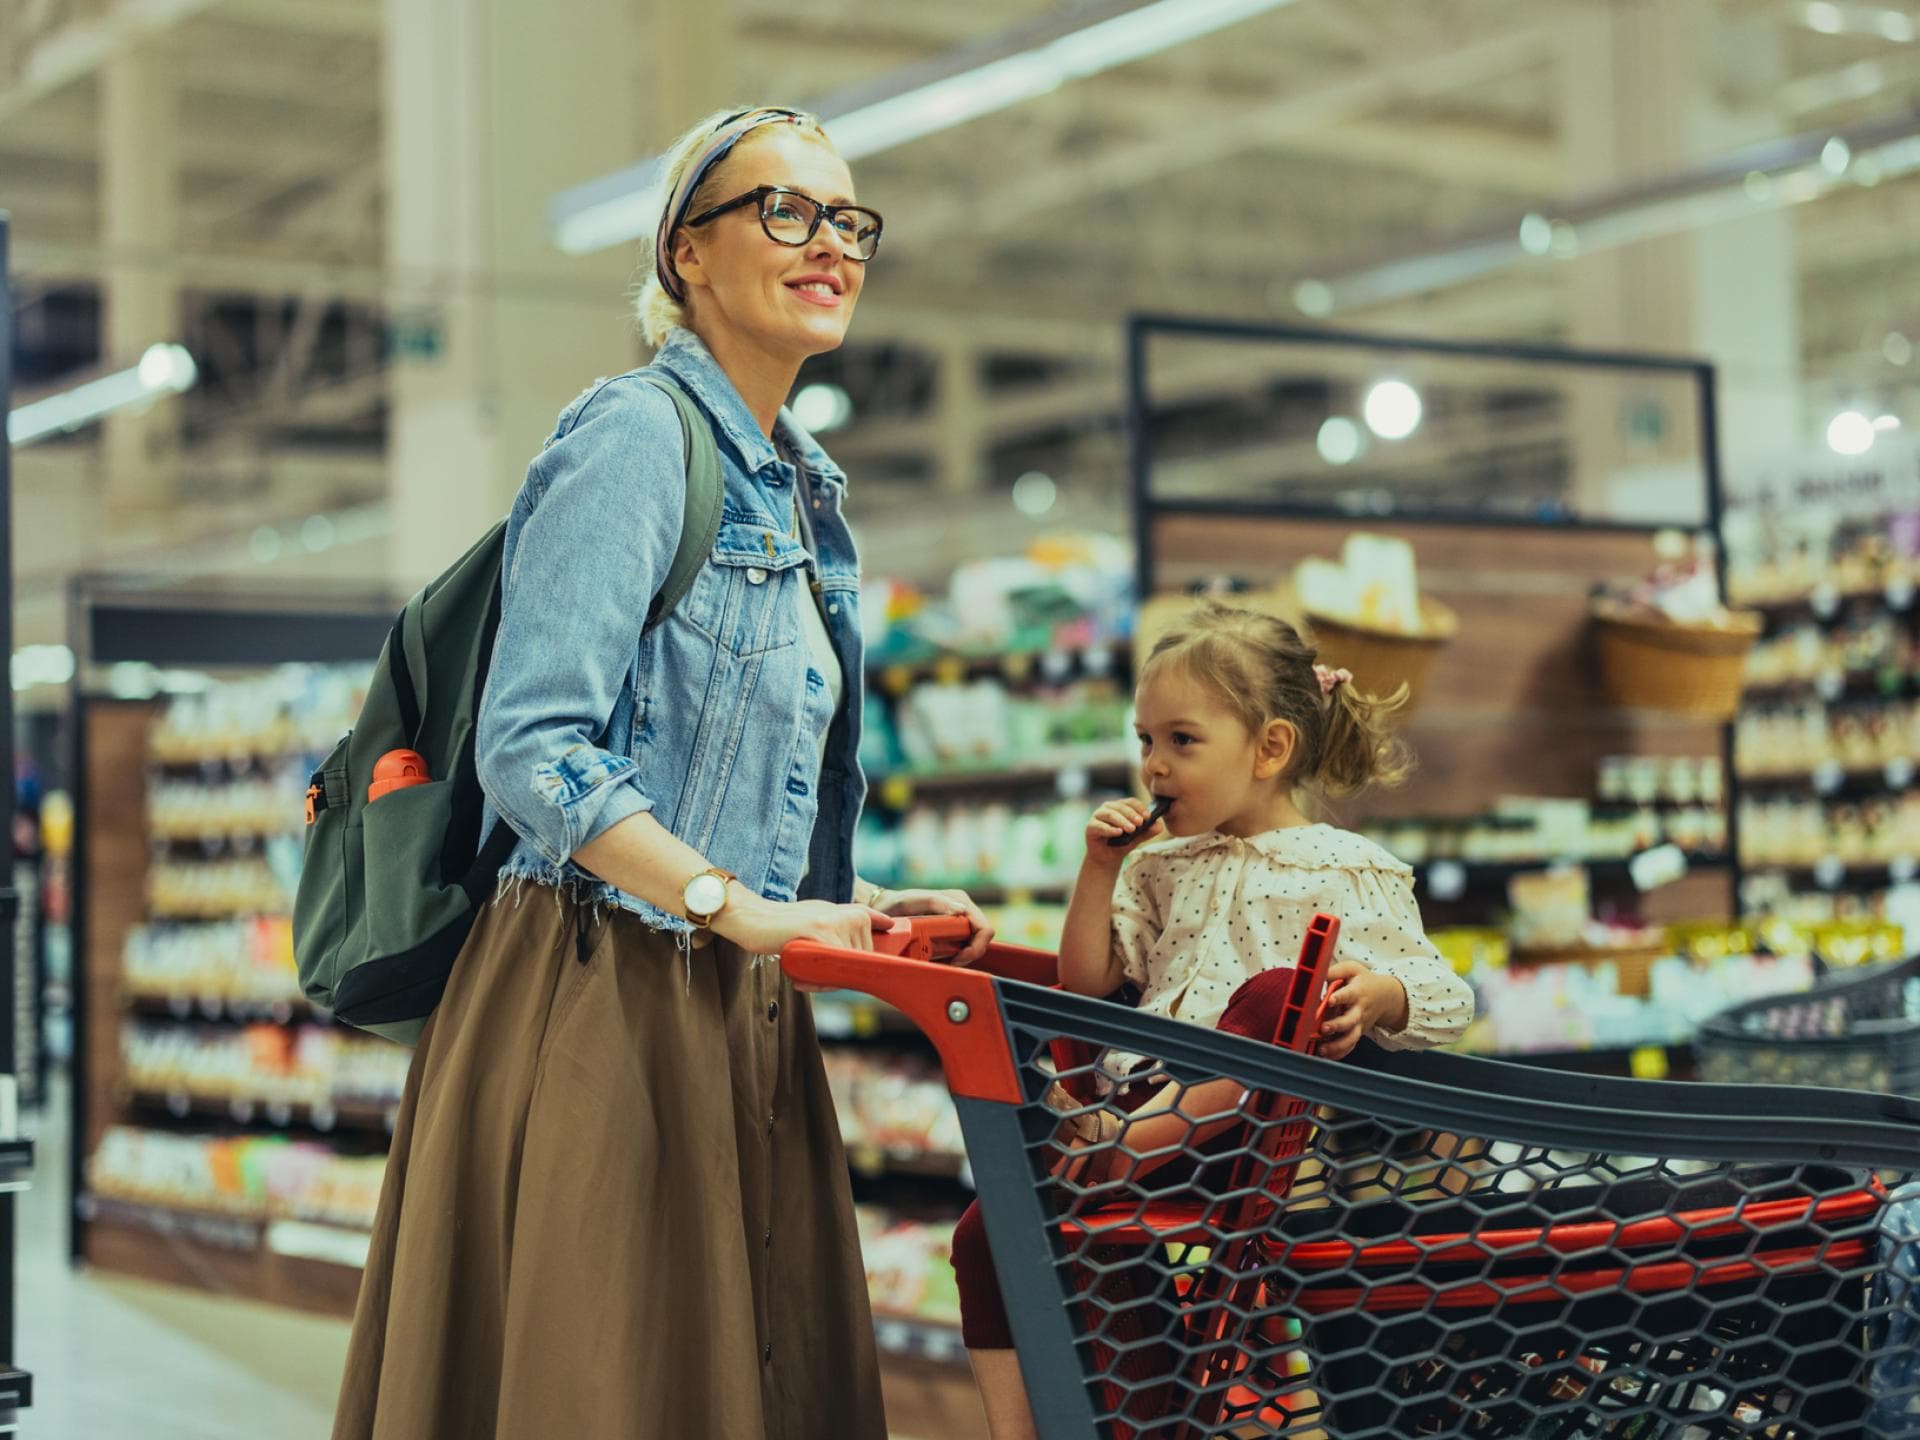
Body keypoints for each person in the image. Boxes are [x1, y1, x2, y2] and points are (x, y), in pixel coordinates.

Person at [331, 104, 992, 1440]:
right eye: (786, 211)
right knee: (607, 1377)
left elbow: (733, 787)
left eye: (850, 220)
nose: (832, 247)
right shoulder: (635, 437)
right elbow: (533, 746)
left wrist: (859, 905)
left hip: (731, 996)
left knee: (740, 1375)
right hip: (594, 989)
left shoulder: (807, 493)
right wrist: (726, 905)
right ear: (686, 253)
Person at [952, 599, 1474, 1439]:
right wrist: (1098, 873)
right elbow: (1086, 986)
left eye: (1181, 741)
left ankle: (1122, 1151)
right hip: (1145, 1111)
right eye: (1144, 741)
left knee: (1282, 994)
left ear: (1269, 748)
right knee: (991, 1228)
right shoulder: (1159, 867)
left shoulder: (1347, 868)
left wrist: (1379, 993)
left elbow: (1446, 995)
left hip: (1256, 1127)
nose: (1154, 764)